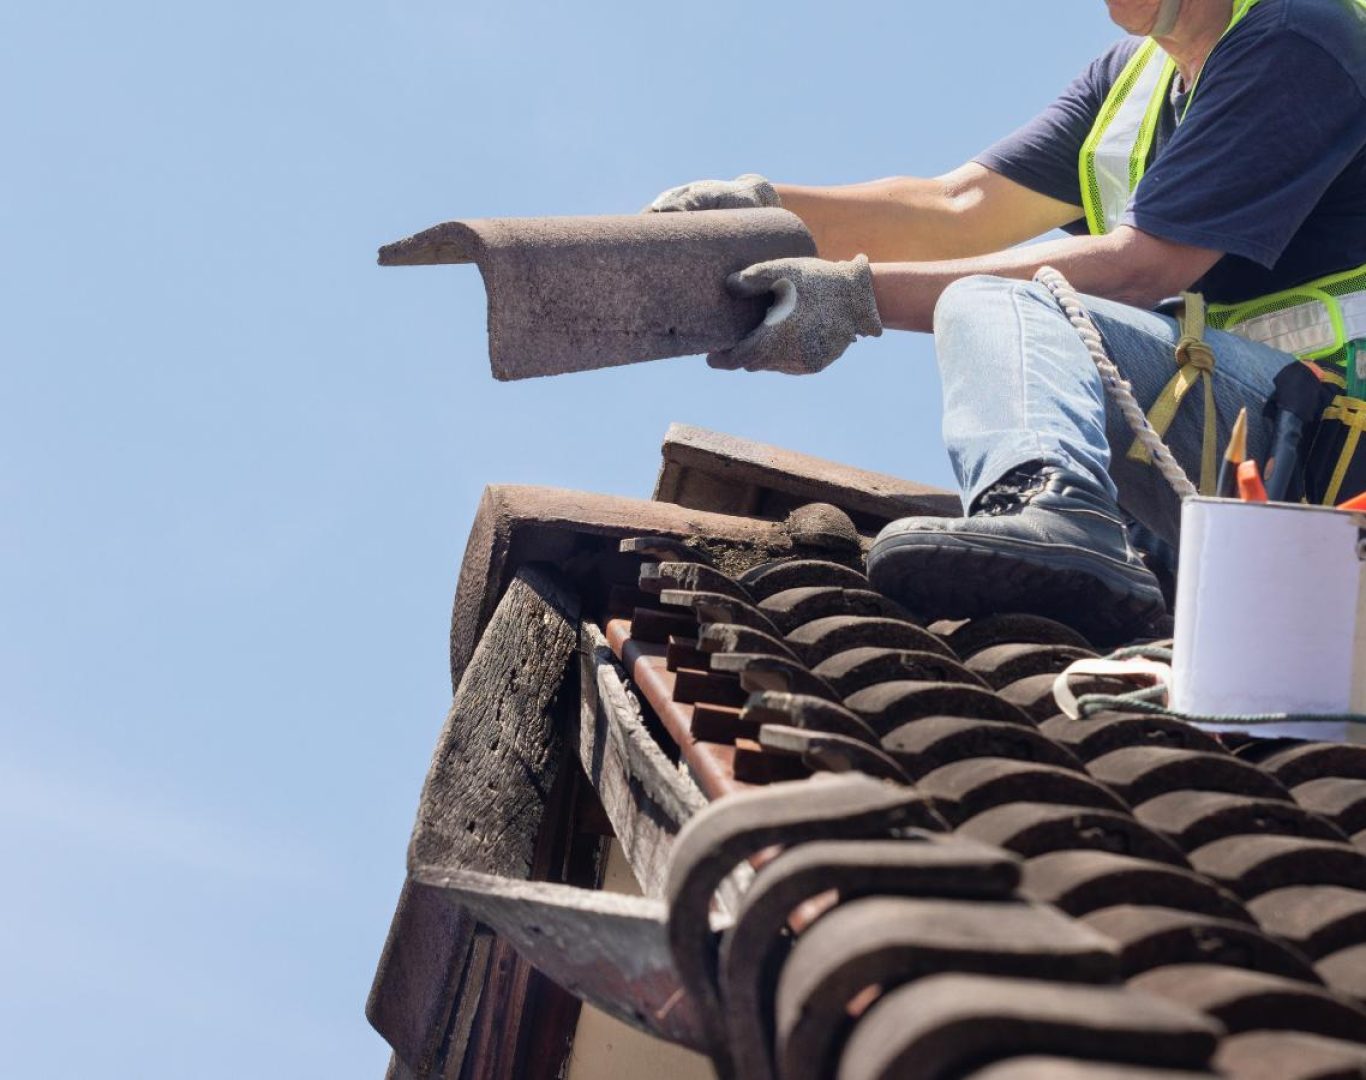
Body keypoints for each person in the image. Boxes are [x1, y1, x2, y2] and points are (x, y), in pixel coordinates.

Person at [648, 0, 1366, 641]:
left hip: (1331, 450)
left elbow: (1142, 267)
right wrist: (765, 214)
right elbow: (958, 207)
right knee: (1001, 294)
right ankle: (1083, 537)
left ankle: (1058, 511)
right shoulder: (1133, 82)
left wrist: (851, 297)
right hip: (1246, 451)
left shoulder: (1300, 31)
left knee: (1004, 300)